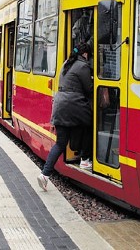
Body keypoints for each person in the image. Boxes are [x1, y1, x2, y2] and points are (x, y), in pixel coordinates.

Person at [37, 43, 93, 191]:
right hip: (73, 105)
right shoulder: (83, 66)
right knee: (90, 124)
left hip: (60, 105)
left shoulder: (66, 64)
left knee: (61, 143)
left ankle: (44, 175)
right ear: (86, 54)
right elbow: (89, 89)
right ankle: (85, 159)